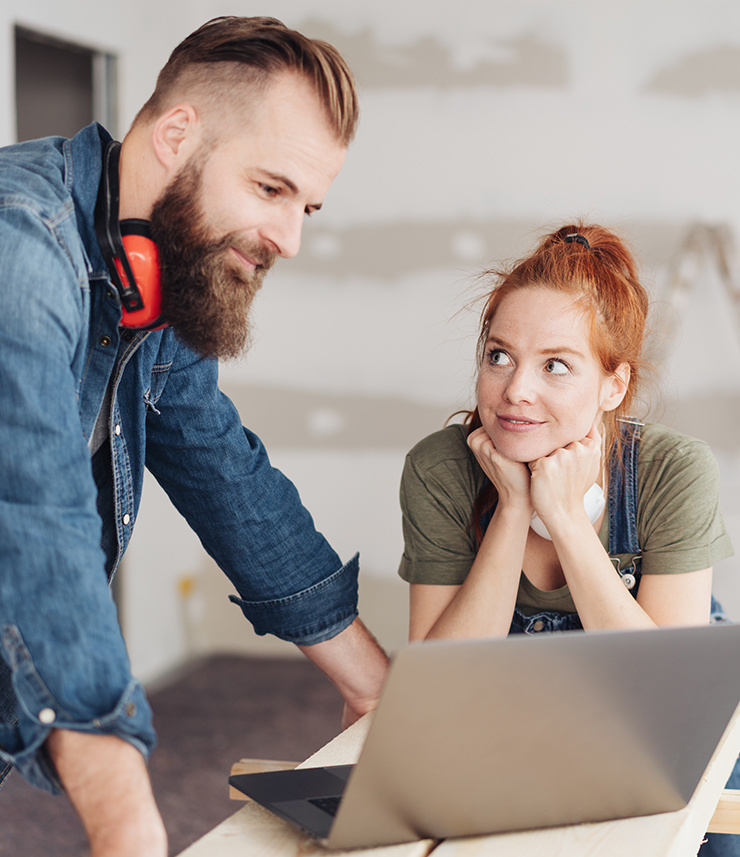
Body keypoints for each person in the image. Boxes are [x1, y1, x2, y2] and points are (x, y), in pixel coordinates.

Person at [0, 16, 388, 857]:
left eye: (307, 206)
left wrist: (376, 688)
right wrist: (132, 829)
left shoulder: (154, 265)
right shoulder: (20, 254)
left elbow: (222, 469)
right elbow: (38, 531)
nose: (290, 238)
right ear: (178, 134)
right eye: (271, 189)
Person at [397, 222, 739, 856]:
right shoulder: (440, 468)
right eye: (499, 355)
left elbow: (667, 698)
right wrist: (512, 510)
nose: (514, 391)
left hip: (669, 706)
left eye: (556, 365)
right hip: (516, 710)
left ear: (614, 385)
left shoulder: (674, 470)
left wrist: (565, 519)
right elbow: (438, 689)